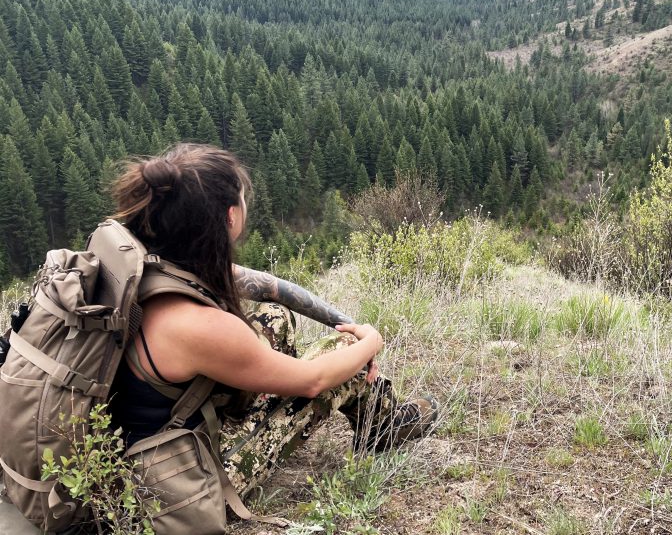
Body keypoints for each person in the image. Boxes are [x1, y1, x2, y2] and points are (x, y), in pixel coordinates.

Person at [105, 143, 437, 500]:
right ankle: (381, 428)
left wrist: (345, 319)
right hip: (178, 479)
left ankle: (287, 397)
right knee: (345, 355)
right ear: (230, 216)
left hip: (149, 437)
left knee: (274, 316)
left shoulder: (152, 265)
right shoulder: (195, 324)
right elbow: (314, 381)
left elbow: (270, 289)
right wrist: (368, 340)